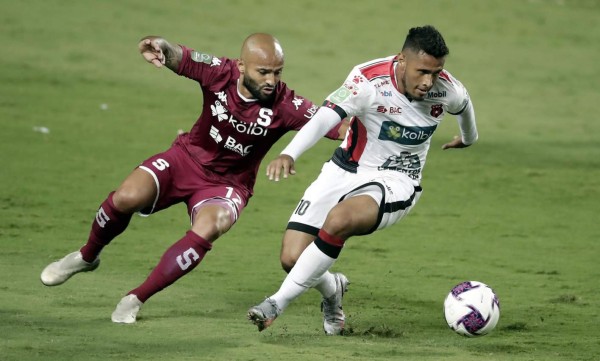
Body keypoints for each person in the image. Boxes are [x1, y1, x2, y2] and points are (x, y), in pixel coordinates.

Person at [40, 33, 346, 324]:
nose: (271, 81)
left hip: (228, 185)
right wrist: (160, 46)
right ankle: (86, 256)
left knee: (211, 226)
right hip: (185, 159)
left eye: (277, 73)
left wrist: (360, 121)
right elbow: (180, 57)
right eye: (264, 72)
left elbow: (332, 124)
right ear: (241, 66)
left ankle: (136, 298)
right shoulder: (219, 72)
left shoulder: (285, 104)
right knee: (125, 197)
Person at [247, 25, 478, 335]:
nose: (428, 81)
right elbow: (327, 116)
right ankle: (332, 291)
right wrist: (290, 153)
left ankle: (276, 303)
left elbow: (464, 108)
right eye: (422, 71)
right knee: (292, 257)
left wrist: (467, 139)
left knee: (339, 219)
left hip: (398, 179)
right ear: (401, 60)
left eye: (435, 73)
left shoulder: (447, 89)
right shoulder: (367, 80)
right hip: (345, 168)